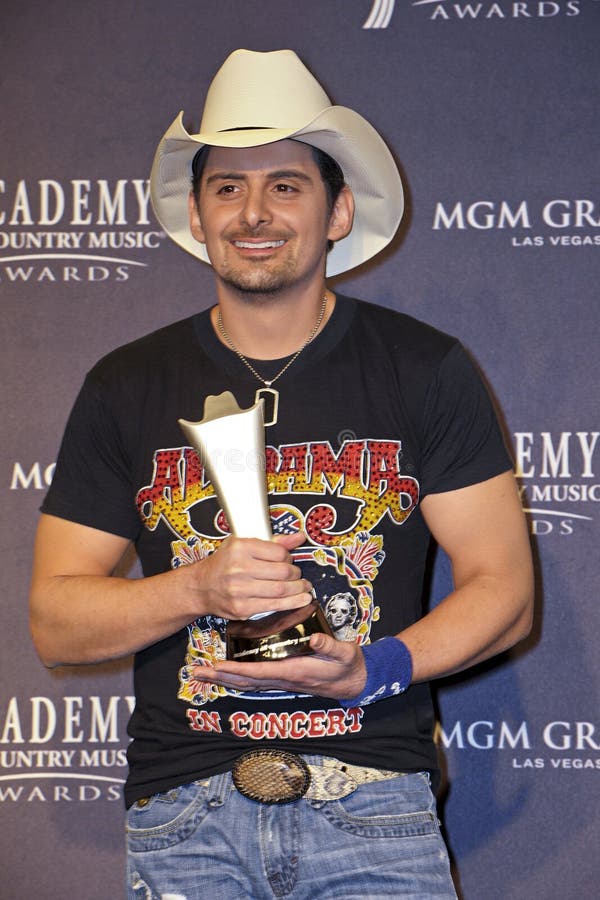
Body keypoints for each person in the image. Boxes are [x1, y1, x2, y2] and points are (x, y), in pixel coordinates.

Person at [29, 49, 534, 899]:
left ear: (338, 211)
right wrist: (192, 589)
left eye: (286, 186)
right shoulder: (125, 383)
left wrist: (375, 669)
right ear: (195, 212)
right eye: (227, 187)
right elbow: (56, 619)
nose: (253, 212)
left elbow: (505, 590)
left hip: (372, 799)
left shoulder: (423, 368)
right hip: (182, 813)